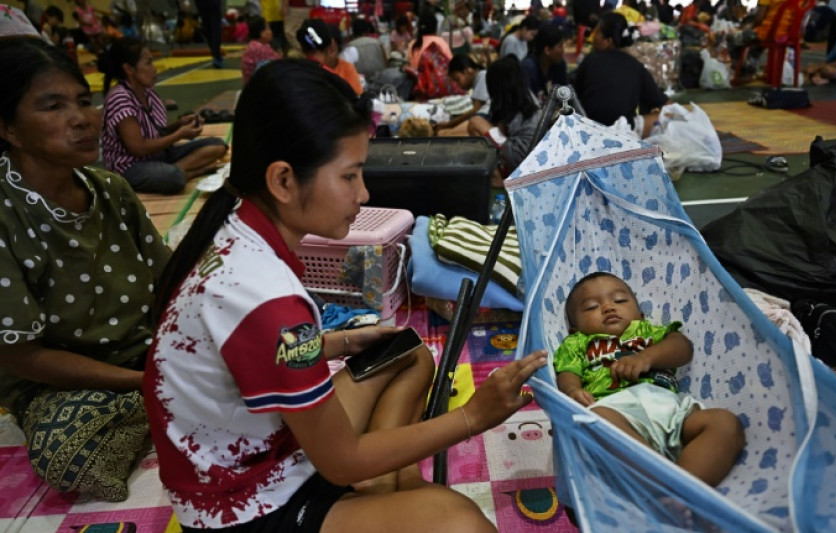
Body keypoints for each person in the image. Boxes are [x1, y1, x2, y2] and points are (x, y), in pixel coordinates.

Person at [144, 58, 548, 532]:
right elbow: (339, 461)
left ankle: (385, 487)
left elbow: (242, 354)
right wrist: (473, 418)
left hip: (267, 450)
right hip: (245, 505)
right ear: (283, 180)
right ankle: (388, 489)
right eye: (350, 175)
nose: (364, 193)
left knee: (406, 351)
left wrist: (332, 344)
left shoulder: (235, 226)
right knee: (462, 523)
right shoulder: (265, 297)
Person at [0, 37, 171, 502]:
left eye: (83, 100)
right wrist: (147, 383)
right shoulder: (6, 213)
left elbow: (172, 283)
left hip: (147, 357)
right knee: (70, 453)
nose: (81, 118)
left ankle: (171, 401)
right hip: (64, 387)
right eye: (52, 106)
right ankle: (171, 403)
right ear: (9, 129)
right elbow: (19, 355)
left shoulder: (110, 190)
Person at [554, 272, 746, 487]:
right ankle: (668, 487)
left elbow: (683, 348)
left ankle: (686, 491)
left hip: (671, 412)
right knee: (596, 420)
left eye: (620, 300)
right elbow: (567, 373)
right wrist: (572, 392)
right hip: (617, 413)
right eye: (591, 307)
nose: (608, 307)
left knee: (724, 422)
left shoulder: (648, 332)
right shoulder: (577, 343)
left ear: (641, 315)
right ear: (574, 329)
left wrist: (646, 358)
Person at [99, 37, 229, 194]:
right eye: (148, 63)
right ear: (129, 69)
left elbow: (156, 132)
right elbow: (138, 148)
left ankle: (179, 172)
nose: (155, 69)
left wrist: (179, 124)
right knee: (173, 177)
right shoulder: (120, 99)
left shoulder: (146, 91)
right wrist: (179, 135)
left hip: (156, 156)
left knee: (217, 145)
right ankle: (184, 172)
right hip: (130, 167)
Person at [573, 12, 669, 131]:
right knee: (657, 116)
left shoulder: (591, 59)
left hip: (588, 132)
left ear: (608, 41)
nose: (593, 37)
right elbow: (664, 102)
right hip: (624, 134)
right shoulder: (636, 66)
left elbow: (574, 95)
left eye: (597, 32)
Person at [469, 55, 542, 178]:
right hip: (533, 158)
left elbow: (500, 129)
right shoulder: (523, 95)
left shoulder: (508, 100)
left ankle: (497, 176)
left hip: (520, 157)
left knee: (475, 122)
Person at [296, 19, 363, 95]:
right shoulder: (303, 72)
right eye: (306, 52)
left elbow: (356, 98)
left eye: (313, 52)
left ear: (332, 48)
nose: (308, 58)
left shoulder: (347, 69)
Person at [407, 12, 461, 100]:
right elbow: (451, 65)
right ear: (435, 27)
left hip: (419, 90)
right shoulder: (440, 42)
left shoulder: (413, 45)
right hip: (438, 91)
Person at [435, 55, 490, 134]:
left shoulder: (483, 76)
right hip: (482, 117)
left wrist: (449, 124)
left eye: (458, 79)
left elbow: (475, 110)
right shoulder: (478, 80)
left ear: (468, 71)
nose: (459, 85)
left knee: (442, 133)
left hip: (485, 117)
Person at [521, 22, 568, 103]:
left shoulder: (560, 64)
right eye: (560, 46)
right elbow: (527, 104)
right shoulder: (528, 68)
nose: (563, 51)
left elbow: (566, 97)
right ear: (547, 50)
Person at [241, 14, 280, 83]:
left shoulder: (253, 44)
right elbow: (278, 62)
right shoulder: (260, 48)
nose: (271, 32)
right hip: (257, 85)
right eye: (268, 29)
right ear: (261, 33)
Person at [195, 0, 224, 68]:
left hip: (201, 3)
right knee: (215, 27)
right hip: (212, 3)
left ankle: (216, 54)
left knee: (208, 28)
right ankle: (216, 55)